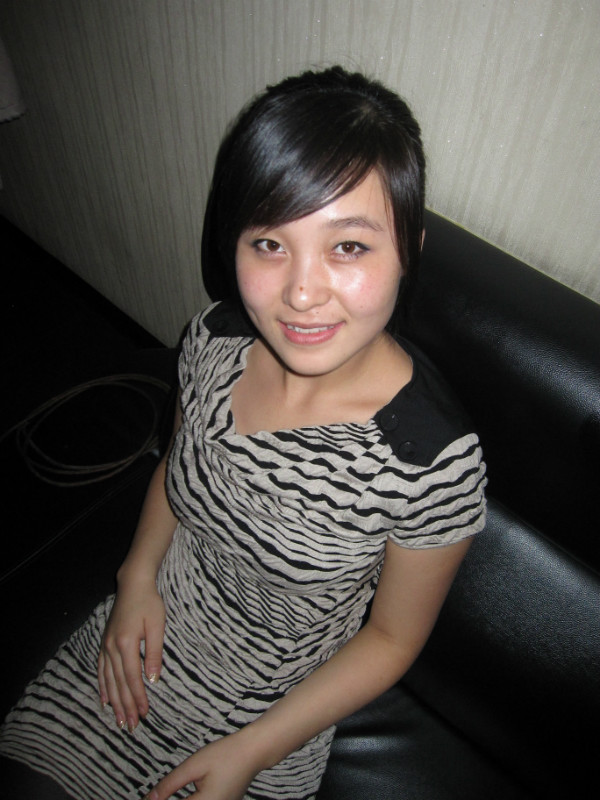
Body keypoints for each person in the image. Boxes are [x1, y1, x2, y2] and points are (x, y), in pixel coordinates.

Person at [0, 65, 486, 800]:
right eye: (269, 243)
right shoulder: (213, 340)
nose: (301, 291)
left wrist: (250, 752)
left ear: (407, 251)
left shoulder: (431, 462)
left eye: (348, 247)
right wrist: (135, 580)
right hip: (150, 630)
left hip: (271, 712)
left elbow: (391, 638)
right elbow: (175, 466)